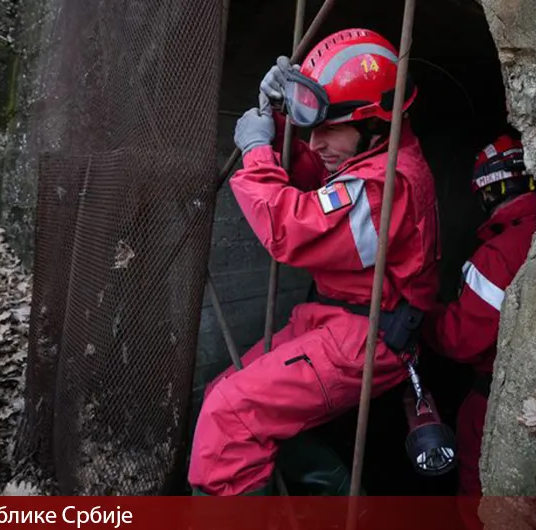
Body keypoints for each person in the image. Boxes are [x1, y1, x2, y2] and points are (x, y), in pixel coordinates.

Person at [188, 28, 441, 496]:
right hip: (341, 317)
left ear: (376, 124)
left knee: (230, 417)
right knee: (223, 394)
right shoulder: (379, 157)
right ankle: (336, 503)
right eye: (312, 128)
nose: (317, 142)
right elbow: (325, 182)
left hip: (369, 338)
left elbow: (292, 229)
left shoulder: (386, 188)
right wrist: (280, 124)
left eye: (329, 128)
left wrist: (257, 152)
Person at [422, 128, 536, 497]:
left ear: (490, 190)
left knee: (480, 496)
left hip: (496, 400)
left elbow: (461, 340)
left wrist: (421, 319)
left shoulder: (498, 253)